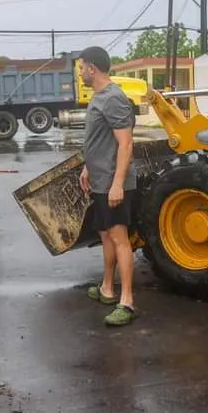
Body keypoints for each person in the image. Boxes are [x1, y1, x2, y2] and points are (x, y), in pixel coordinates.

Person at [77, 46, 137, 327]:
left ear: (92, 68)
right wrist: (88, 166)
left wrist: (117, 185)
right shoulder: (99, 97)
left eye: (81, 67)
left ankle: (127, 301)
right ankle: (107, 289)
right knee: (105, 235)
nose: (79, 72)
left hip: (113, 182)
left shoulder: (113, 98)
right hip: (100, 179)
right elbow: (101, 139)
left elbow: (125, 143)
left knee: (120, 239)